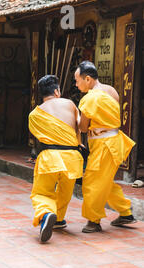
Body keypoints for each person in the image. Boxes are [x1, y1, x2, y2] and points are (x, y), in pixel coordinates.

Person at [75, 61, 137, 233]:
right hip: (114, 141)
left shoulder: (89, 99)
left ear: (87, 79)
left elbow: (83, 128)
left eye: (77, 80)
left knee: (91, 182)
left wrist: (75, 119)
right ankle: (125, 212)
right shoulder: (112, 90)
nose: (76, 83)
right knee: (105, 182)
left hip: (103, 145)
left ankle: (93, 221)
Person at [29, 75, 84, 243]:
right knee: (65, 192)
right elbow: (79, 127)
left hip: (49, 157)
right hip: (72, 158)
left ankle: (46, 213)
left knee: (42, 192)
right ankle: (58, 219)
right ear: (57, 91)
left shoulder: (34, 114)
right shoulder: (69, 104)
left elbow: (39, 136)